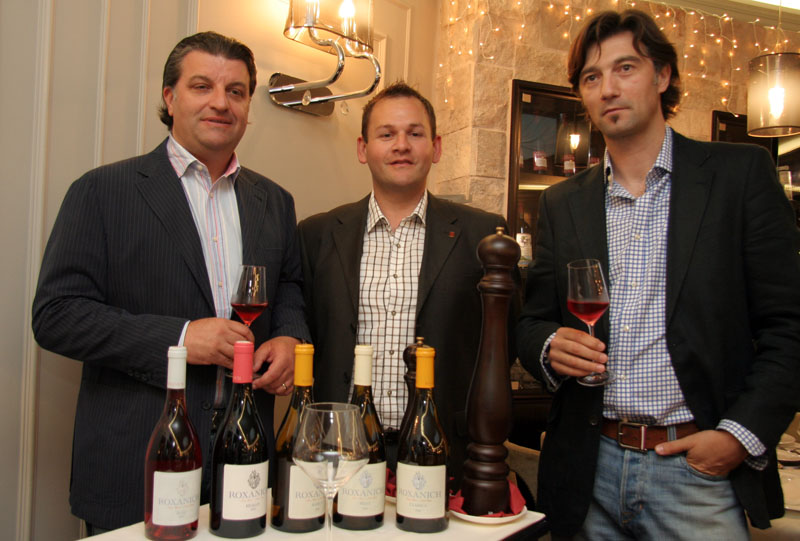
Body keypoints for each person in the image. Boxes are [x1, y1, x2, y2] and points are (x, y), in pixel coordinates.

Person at [516, 9, 800, 540]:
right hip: (588, 472)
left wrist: (736, 438)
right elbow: (531, 322)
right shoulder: (562, 202)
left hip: (696, 475)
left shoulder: (738, 176)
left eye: (625, 68)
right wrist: (549, 345)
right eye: (592, 77)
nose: (608, 88)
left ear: (663, 75)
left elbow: (790, 326)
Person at [32, 31, 309, 533]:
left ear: (248, 107)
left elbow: (288, 287)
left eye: (236, 91)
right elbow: (57, 316)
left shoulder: (275, 201)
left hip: (244, 464)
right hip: (136, 462)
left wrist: (291, 337)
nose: (220, 103)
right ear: (170, 97)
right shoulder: (101, 191)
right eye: (202, 86)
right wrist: (181, 338)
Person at [298, 82, 515, 487]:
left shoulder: (482, 234)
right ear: (363, 149)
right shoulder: (317, 235)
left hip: (444, 449)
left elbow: (506, 340)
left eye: (415, 133)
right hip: (340, 447)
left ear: (436, 147)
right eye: (386, 134)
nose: (401, 145)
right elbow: (303, 329)